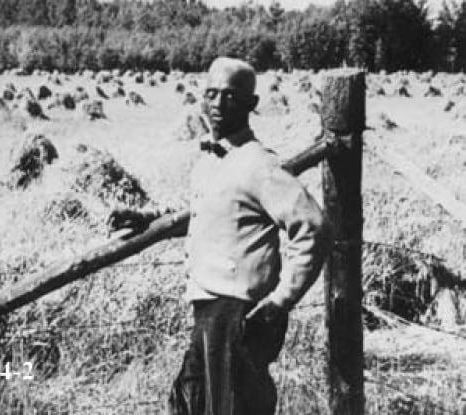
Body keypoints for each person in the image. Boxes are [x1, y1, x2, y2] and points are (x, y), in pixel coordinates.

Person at [108, 57, 332, 415]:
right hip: (209, 307)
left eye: (230, 96)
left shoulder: (258, 164)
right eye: (210, 93)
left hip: (239, 311)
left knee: (231, 407)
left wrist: (279, 302)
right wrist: (147, 217)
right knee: (190, 402)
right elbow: (202, 212)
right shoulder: (211, 161)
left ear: (251, 104)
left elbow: (313, 227)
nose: (217, 104)